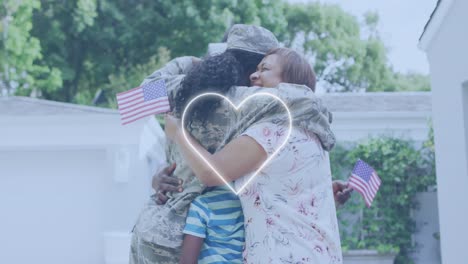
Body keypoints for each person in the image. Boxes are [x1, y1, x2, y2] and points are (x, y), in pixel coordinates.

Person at [165, 48, 343, 263]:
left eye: (265, 69)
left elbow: (211, 173)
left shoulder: (274, 130)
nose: (253, 75)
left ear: (288, 83)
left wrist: (178, 133)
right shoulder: (315, 135)